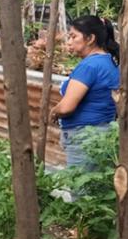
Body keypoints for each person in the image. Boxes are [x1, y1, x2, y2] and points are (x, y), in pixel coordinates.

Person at [50, 15, 120, 174]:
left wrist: (54, 111)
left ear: (90, 39)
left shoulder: (89, 66)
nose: (69, 41)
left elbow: (67, 107)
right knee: (95, 192)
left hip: (84, 137)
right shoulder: (109, 61)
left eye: (74, 36)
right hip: (104, 134)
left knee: (81, 193)